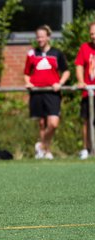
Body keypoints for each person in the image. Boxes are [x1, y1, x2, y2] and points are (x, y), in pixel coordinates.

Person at [24, 25, 70, 159]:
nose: (40, 39)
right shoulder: (32, 53)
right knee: (42, 124)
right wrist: (28, 82)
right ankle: (46, 151)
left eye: (42, 36)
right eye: (38, 37)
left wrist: (60, 83)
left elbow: (66, 71)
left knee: (53, 123)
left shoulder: (57, 53)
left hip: (52, 92)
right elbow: (26, 73)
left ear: (48, 37)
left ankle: (41, 146)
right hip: (37, 92)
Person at [75, 22, 95, 160]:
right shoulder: (85, 48)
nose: (93, 36)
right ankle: (87, 148)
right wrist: (81, 80)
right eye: (91, 33)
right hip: (88, 92)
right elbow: (79, 65)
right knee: (87, 121)